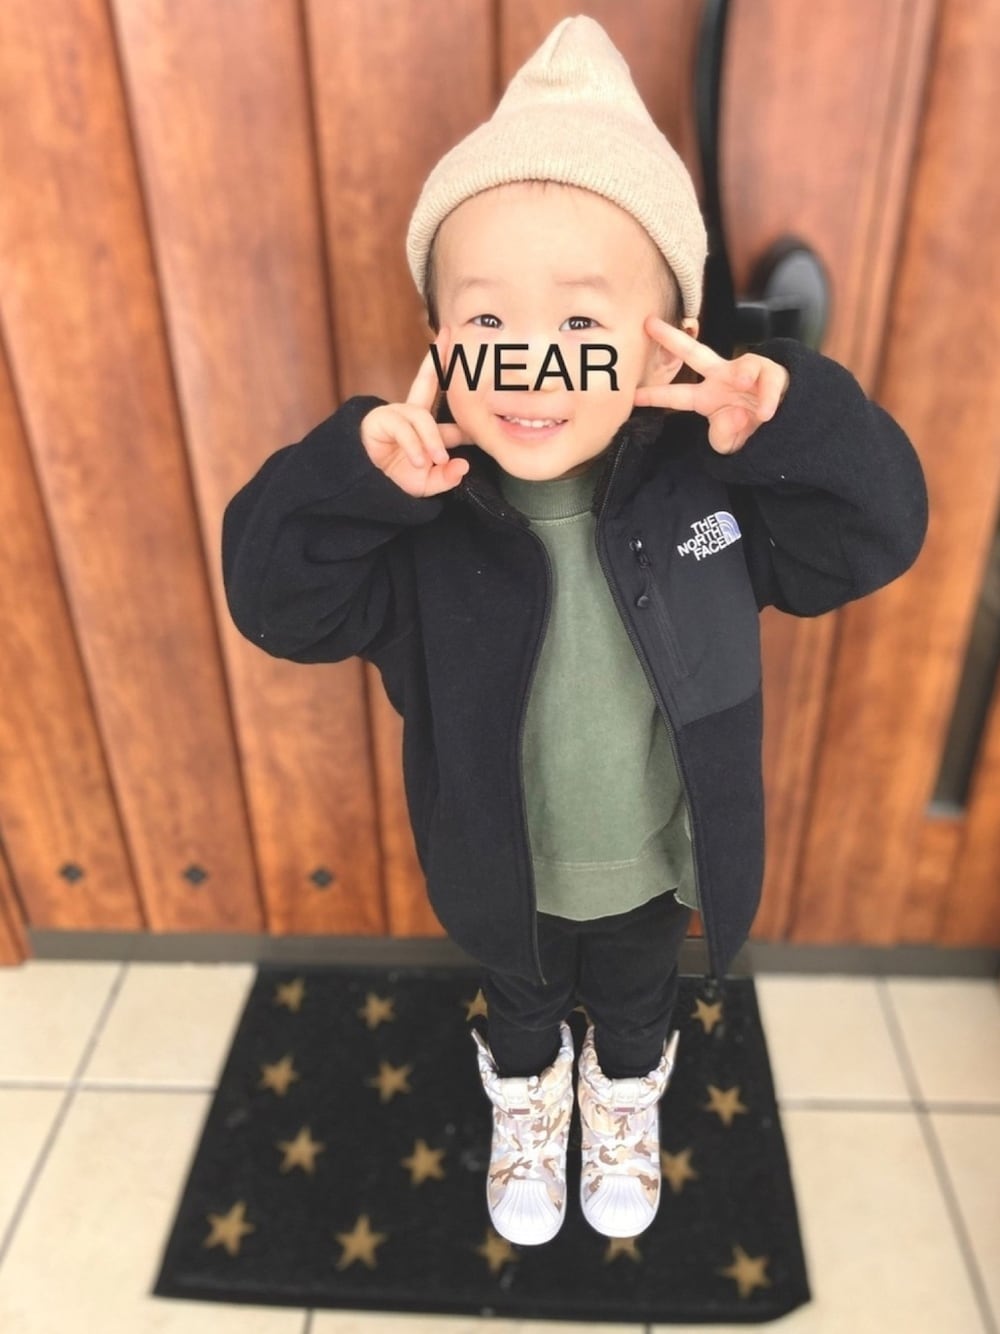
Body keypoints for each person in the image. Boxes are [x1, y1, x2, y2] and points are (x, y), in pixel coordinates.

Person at [221, 15, 928, 1249]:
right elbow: (277, 602)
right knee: (522, 1002)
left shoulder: (709, 497)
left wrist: (791, 421)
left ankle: (622, 1095)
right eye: (486, 321)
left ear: (671, 335)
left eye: (586, 326)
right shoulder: (424, 522)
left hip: (654, 865)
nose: (532, 361)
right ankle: (531, 1092)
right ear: (438, 340)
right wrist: (350, 477)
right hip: (502, 865)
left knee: (639, 1002)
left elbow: (874, 534)